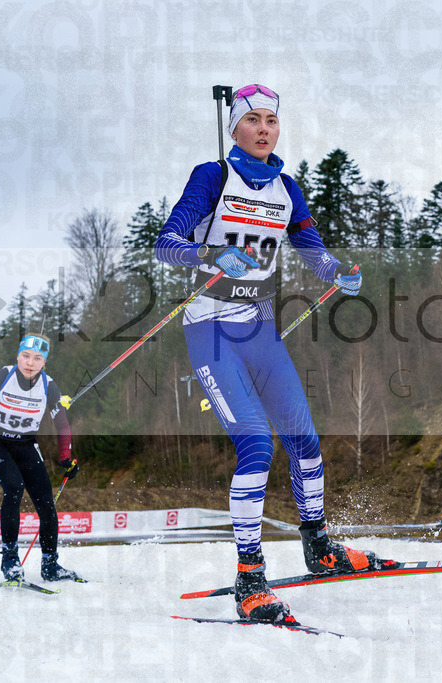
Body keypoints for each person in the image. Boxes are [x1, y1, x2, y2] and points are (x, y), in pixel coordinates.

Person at [154, 83, 393, 622]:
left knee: (305, 441)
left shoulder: (287, 188)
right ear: (235, 127)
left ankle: (319, 547)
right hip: (211, 333)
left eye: (272, 120)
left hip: (259, 330)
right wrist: (211, 252)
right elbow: (164, 242)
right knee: (257, 446)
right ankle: (249, 580)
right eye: (254, 120)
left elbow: (310, 247)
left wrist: (339, 273)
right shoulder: (211, 177)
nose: (264, 128)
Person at [0, 334, 81, 582]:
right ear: (17, 356)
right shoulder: (0, 377)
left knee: (46, 500)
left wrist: (66, 458)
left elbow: (62, 424)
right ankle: (10, 561)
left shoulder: (49, 386)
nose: (30, 362)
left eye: (37, 358)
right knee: (14, 487)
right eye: (26, 356)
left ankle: (50, 564)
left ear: (44, 363)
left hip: (26, 443)